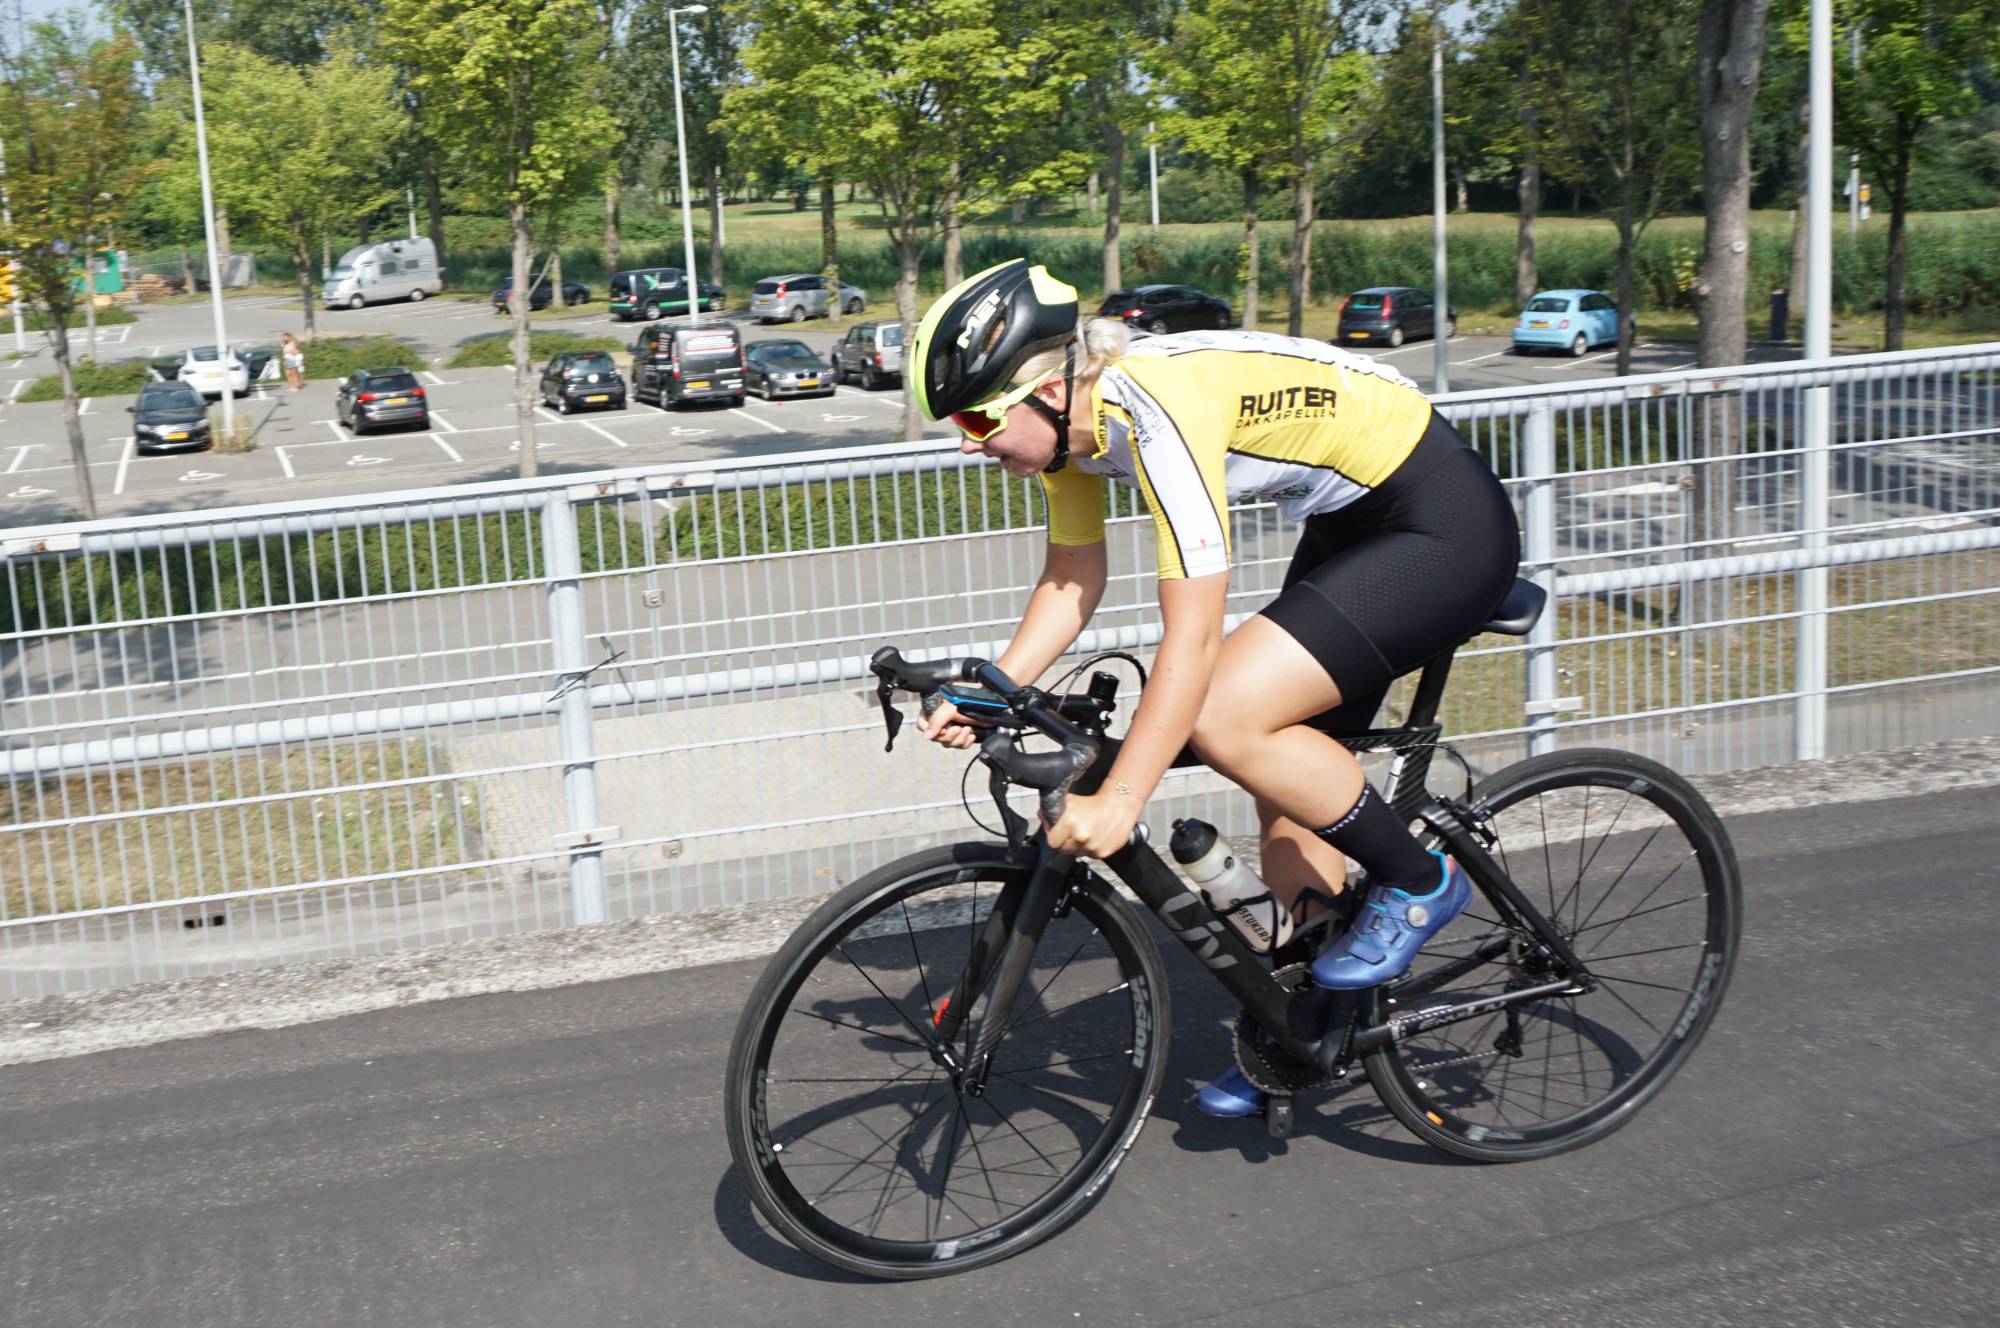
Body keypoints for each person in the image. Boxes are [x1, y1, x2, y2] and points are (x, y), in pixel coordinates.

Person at [906, 259, 1520, 1119]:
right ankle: (1308, 1024)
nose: (970, 443)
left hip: (1440, 521)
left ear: (1048, 387)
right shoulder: (1072, 437)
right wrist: (994, 688)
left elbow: (1192, 635)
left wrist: (1124, 795)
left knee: (1228, 715)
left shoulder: (1154, 411)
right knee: (1284, 787)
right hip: (1351, 525)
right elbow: (1071, 582)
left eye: (978, 417)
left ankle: (1421, 881)